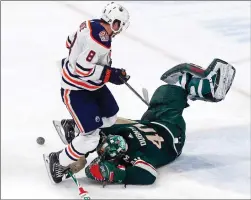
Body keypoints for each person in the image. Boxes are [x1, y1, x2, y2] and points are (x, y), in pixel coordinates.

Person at [83, 58, 236, 185]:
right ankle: (205, 87)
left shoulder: (116, 137)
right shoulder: (133, 155)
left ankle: (188, 90)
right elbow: (149, 174)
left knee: (158, 100)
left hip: (149, 123)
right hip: (172, 135)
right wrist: (116, 175)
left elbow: (106, 127)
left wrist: (81, 133)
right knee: (167, 94)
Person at [43, 2, 130, 184]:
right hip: (76, 90)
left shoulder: (91, 23)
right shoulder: (100, 41)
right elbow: (83, 68)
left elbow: (68, 41)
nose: (119, 29)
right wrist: (110, 74)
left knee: (111, 116)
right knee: (91, 139)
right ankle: (57, 161)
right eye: (119, 24)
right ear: (114, 22)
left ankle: (73, 127)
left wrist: (108, 72)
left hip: (92, 86)